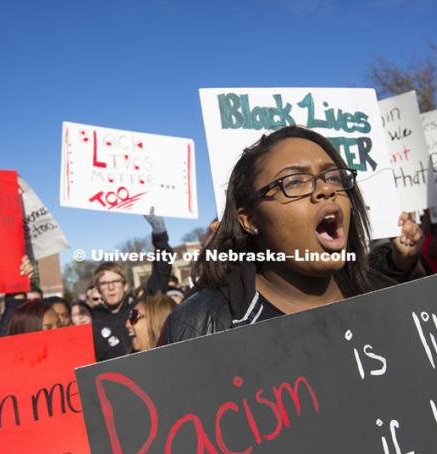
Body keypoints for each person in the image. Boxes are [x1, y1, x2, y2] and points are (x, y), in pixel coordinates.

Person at [160, 126, 423, 344]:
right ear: (249, 220)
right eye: (294, 181)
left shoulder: (392, 299)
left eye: (332, 176)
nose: (325, 190)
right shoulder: (199, 326)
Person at [92, 208, 173, 361]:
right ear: (97, 290)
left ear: (125, 285)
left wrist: (160, 233)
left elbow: (162, 271)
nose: (111, 287)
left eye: (115, 281)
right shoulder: (92, 325)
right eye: (104, 283)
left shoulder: (142, 307)